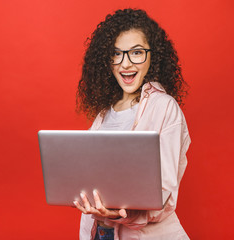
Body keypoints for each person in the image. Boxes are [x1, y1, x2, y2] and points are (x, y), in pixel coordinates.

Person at [73, 8, 191, 240]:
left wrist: (119, 213)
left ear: (152, 56)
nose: (125, 64)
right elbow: (90, 177)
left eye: (136, 52)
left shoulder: (164, 107)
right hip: (100, 234)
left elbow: (164, 197)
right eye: (116, 54)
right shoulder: (105, 114)